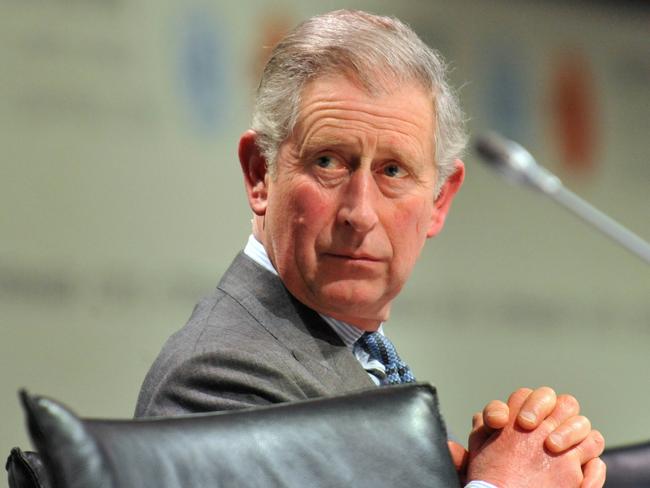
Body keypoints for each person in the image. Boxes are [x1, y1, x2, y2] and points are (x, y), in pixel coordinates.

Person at [136, 10, 605, 487]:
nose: (359, 213)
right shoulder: (221, 380)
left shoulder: (354, 352)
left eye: (393, 171)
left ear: (440, 200)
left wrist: (486, 467)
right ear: (260, 174)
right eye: (328, 162)